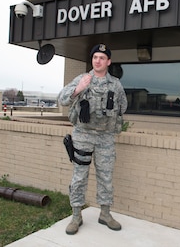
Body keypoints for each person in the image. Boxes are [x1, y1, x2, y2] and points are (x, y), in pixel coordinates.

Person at [58, 44, 127, 235]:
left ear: (108, 61)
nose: (98, 60)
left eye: (102, 58)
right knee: (79, 176)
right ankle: (76, 216)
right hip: (83, 136)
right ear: (92, 60)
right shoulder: (82, 79)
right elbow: (62, 99)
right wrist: (78, 89)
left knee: (106, 176)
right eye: (95, 57)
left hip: (105, 137)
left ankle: (105, 214)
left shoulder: (115, 84)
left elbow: (123, 106)